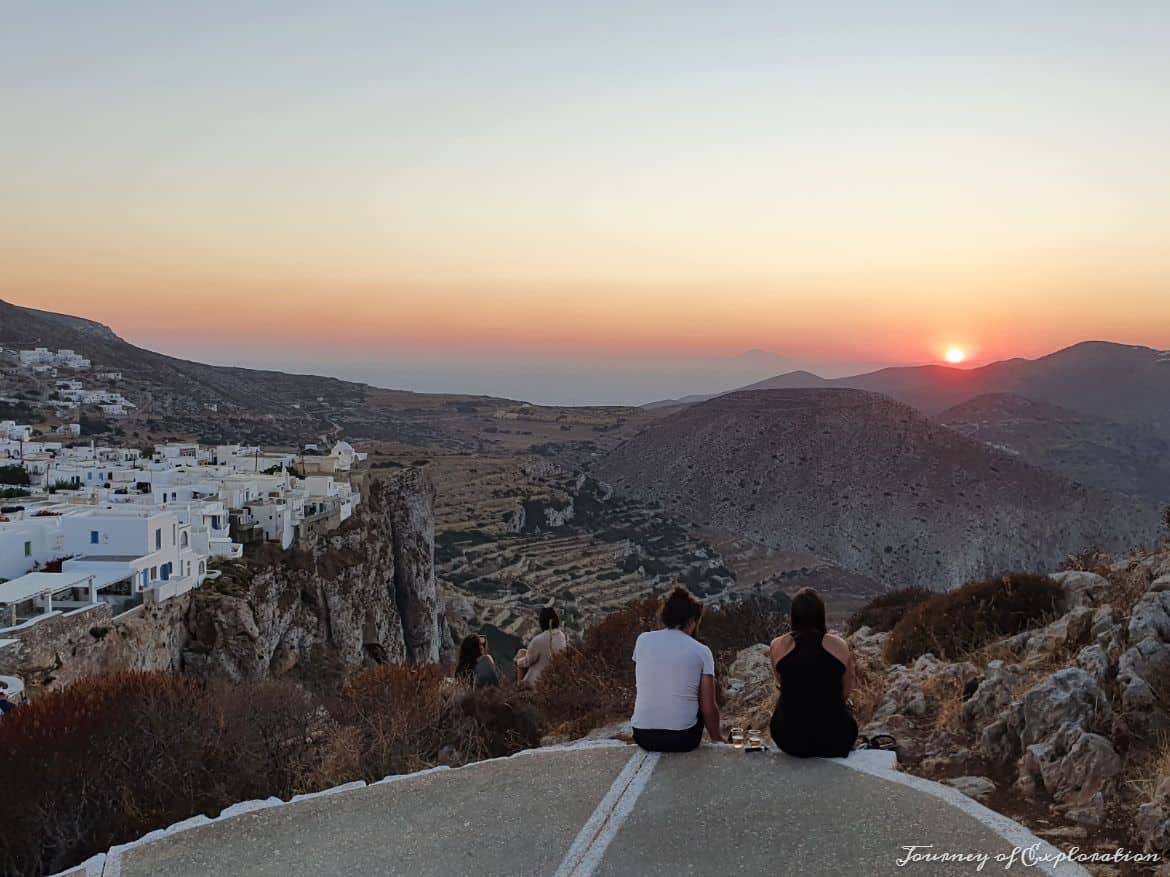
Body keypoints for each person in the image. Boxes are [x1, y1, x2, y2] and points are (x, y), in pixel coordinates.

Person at [630, 584, 723, 752]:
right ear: (692, 621)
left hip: (642, 736)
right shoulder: (701, 651)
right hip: (683, 739)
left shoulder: (642, 640)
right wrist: (718, 740)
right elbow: (708, 708)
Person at [769, 587, 858, 758]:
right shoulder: (839, 646)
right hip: (835, 740)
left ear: (794, 615)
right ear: (821, 614)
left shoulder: (778, 645)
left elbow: (781, 684)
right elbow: (846, 692)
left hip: (790, 739)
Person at [515, 606, 567, 687]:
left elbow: (527, 662)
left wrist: (518, 661)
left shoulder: (538, 640)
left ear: (542, 622)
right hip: (554, 676)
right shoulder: (562, 636)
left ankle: (520, 686)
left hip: (538, 680)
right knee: (523, 652)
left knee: (521, 655)